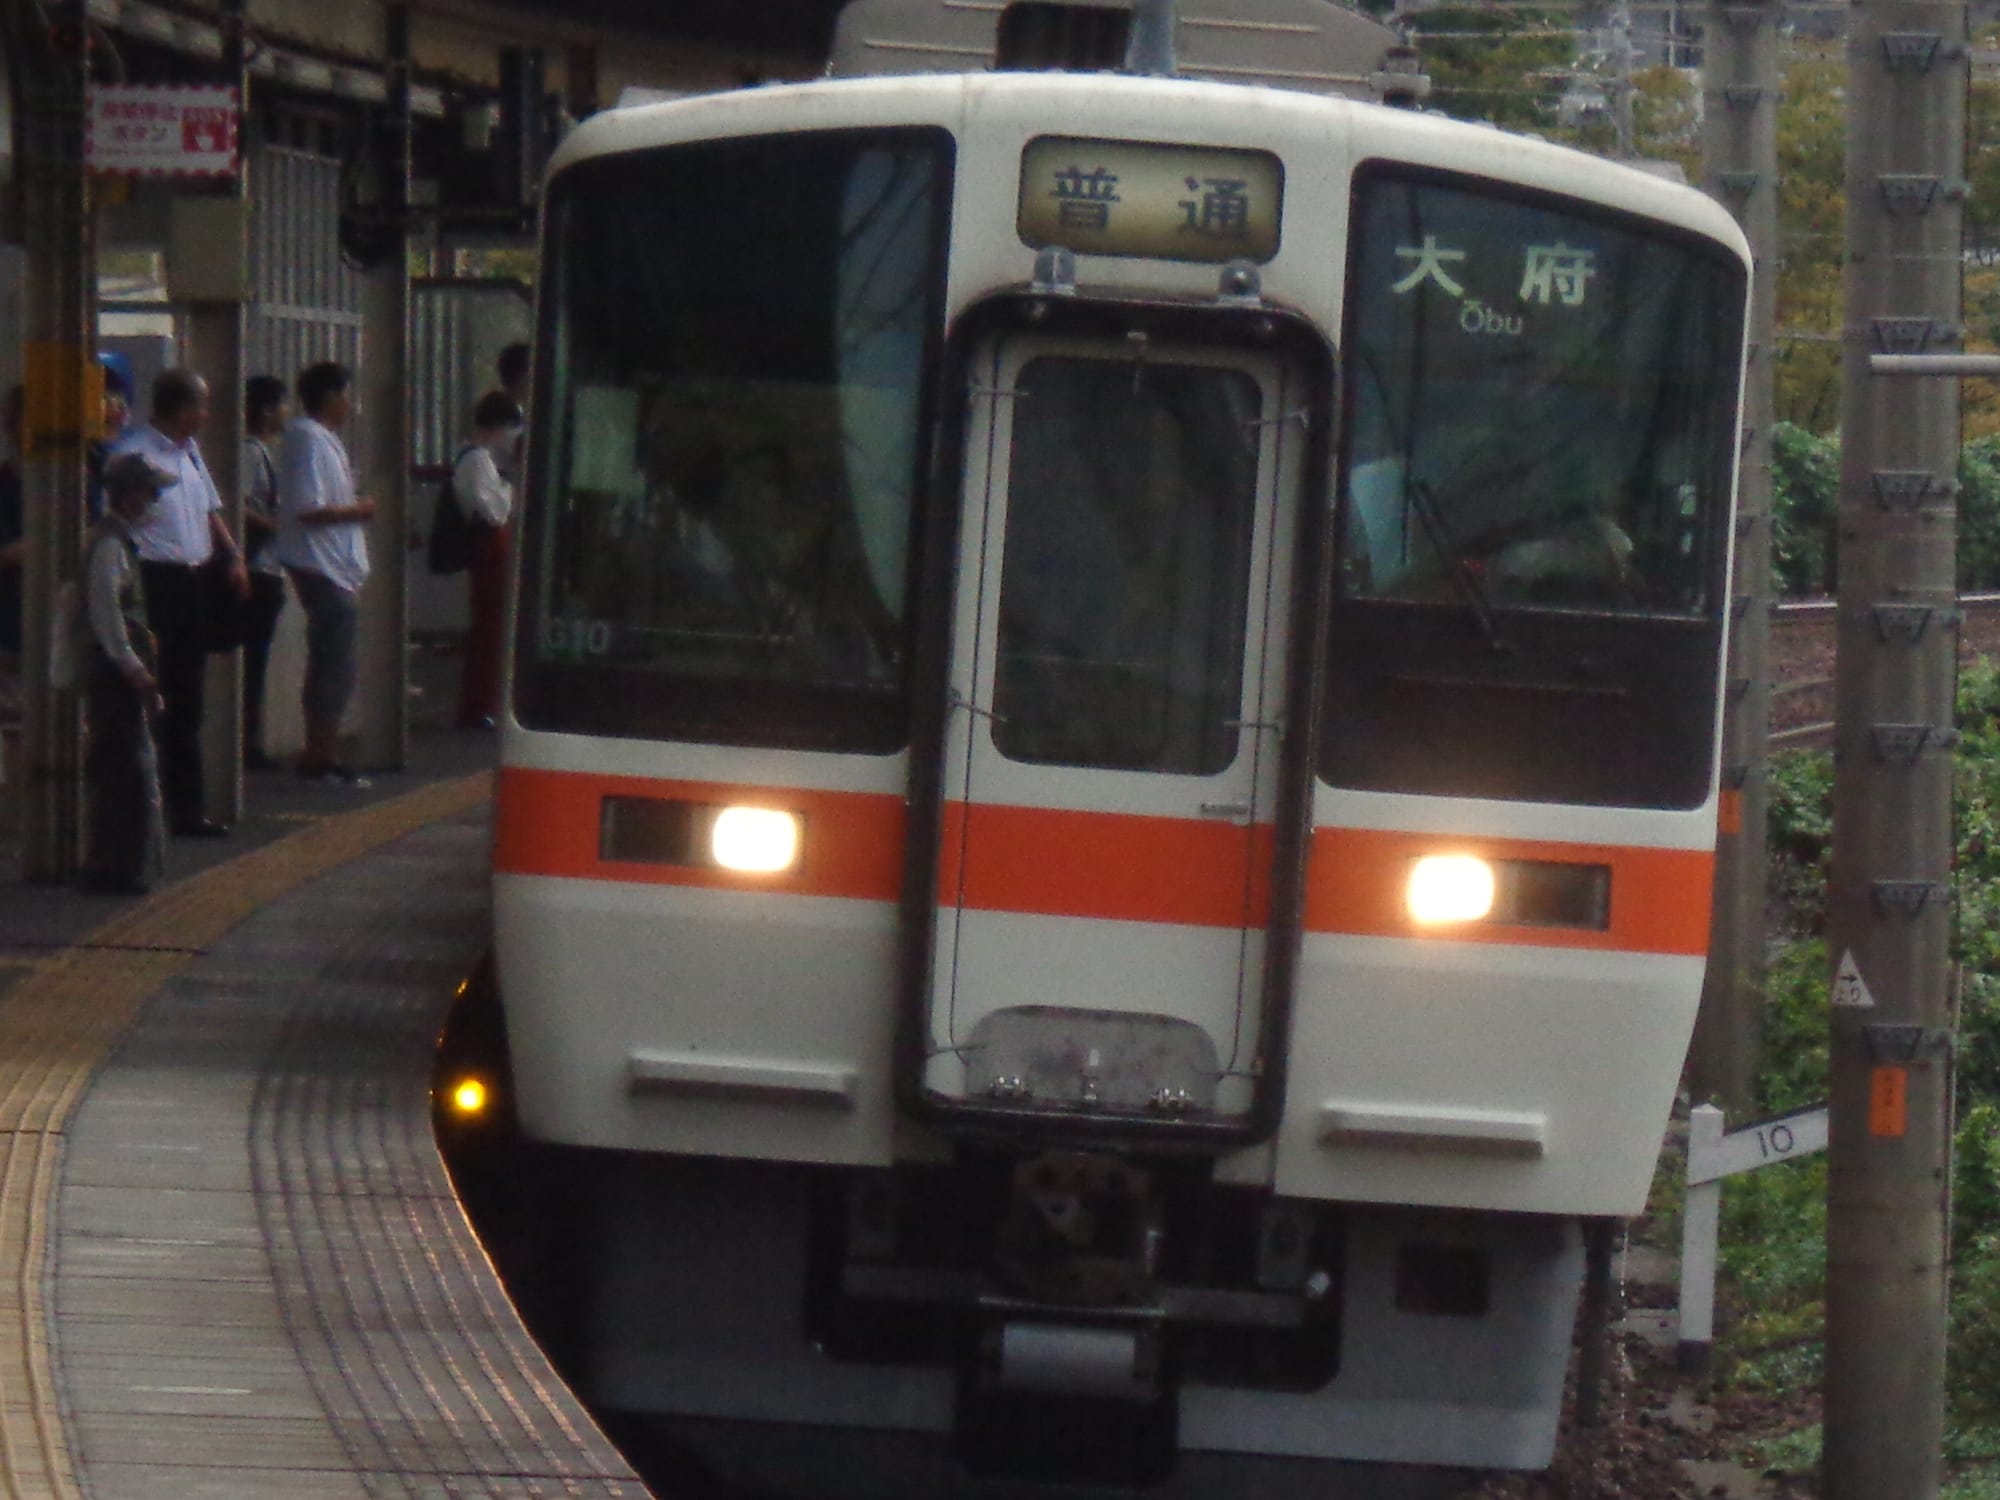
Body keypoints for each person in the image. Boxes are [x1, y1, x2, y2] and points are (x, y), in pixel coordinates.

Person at [109, 368, 249, 838]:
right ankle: (149, 804)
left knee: (188, 696)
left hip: (194, 579)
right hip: (153, 580)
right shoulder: (135, 454)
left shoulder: (189, 454)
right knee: (155, 690)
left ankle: (187, 808)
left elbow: (210, 510)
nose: (207, 415)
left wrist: (231, 554)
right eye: (202, 405)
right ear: (182, 408)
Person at [77, 453, 173, 895]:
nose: (156, 500)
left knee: (124, 764)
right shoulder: (110, 545)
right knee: (121, 768)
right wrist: (135, 668)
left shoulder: (117, 541)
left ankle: (118, 861)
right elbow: (107, 615)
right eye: (151, 492)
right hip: (114, 673)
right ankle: (112, 865)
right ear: (131, 495)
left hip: (119, 670)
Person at [276, 361, 374, 787]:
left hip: (334, 565)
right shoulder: (307, 440)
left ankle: (323, 751)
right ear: (331, 396)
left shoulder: (322, 440)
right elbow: (309, 508)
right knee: (333, 664)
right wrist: (360, 510)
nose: (351, 404)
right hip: (321, 565)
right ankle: (319, 755)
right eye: (346, 394)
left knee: (336, 662)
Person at [453, 389, 523, 728]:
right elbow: (494, 511)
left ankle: (482, 704)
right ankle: (480, 706)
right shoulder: (477, 459)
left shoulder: (477, 459)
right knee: (490, 631)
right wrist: (509, 487)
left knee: (490, 629)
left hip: (490, 550)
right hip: (489, 548)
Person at [239, 375, 290, 769]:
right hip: (257, 567)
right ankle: (245, 742)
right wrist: (273, 525)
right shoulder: (250, 453)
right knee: (251, 661)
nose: (286, 412)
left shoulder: (263, 452)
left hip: (266, 565)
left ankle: (249, 738)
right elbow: (236, 505)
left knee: (256, 660)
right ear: (267, 409)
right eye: (282, 404)